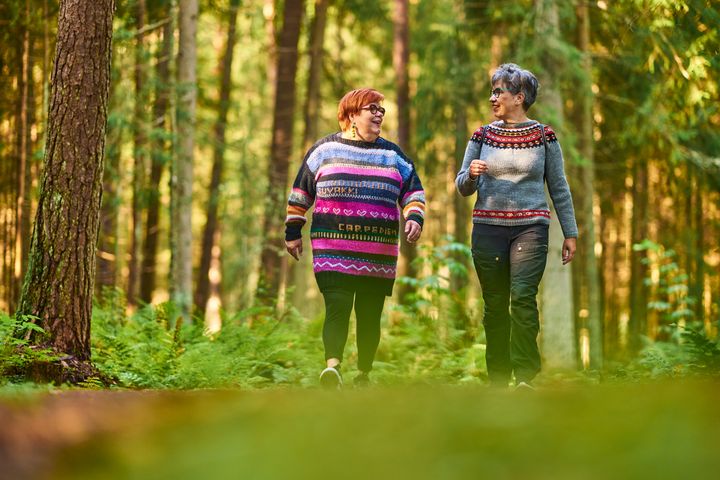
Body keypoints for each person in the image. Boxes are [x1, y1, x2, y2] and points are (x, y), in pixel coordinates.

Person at [285, 88, 425, 388]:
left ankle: (364, 372)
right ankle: (333, 367)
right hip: (332, 247)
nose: (379, 114)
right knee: (337, 306)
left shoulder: (393, 155)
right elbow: (301, 193)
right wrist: (293, 231)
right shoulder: (323, 151)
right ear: (351, 115)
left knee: (369, 314)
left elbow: (413, 191)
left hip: (377, 252)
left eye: (381, 110)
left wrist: (414, 216)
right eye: (371, 108)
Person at [455, 63, 578, 389]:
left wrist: (571, 233)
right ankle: (498, 379)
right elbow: (462, 185)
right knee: (495, 305)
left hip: (531, 229)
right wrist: (472, 175)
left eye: (499, 92)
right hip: (488, 229)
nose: (493, 98)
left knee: (523, 298)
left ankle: (525, 377)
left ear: (519, 97)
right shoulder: (482, 135)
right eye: (492, 91)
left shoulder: (543, 135)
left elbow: (559, 187)